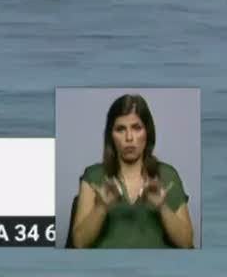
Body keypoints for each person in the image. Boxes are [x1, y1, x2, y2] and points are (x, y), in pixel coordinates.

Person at [70, 93, 194, 249]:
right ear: (111, 136)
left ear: (147, 132)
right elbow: (79, 243)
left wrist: (163, 207)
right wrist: (100, 208)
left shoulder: (167, 175)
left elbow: (187, 243)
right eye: (120, 129)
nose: (129, 137)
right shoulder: (93, 176)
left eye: (137, 128)